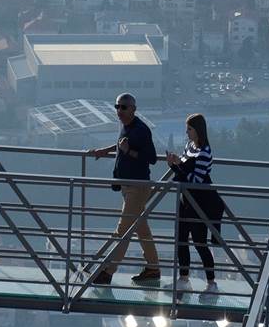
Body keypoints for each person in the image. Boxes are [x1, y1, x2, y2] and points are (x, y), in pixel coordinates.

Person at [87, 93, 160, 285]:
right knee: (141, 230)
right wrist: (106, 150)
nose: (119, 110)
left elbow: (151, 158)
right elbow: (122, 144)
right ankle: (153, 268)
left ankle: (107, 271)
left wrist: (129, 151)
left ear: (133, 109)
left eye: (124, 107)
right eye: (117, 107)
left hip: (138, 187)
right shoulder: (126, 126)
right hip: (128, 187)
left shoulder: (141, 129)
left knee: (123, 230)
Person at [165, 113, 222, 292]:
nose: (187, 132)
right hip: (186, 198)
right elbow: (184, 168)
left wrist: (177, 165)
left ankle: (211, 282)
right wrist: (175, 163)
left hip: (200, 201)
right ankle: (184, 278)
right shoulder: (190, 146)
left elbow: (196, 179)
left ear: (198, 130)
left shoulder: (204, 151)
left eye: (189, 129)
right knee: (181, 238)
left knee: (199, 241)